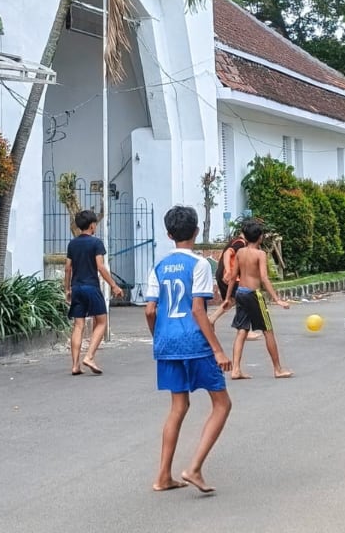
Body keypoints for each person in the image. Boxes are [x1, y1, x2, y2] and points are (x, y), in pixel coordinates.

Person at [145, 205, 232, 494]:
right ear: (196, 231)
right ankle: (193, 468)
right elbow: (198, 309)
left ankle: (163, 476)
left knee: (178, 406)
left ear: (169, 234)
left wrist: (159, 337)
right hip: (194, 342)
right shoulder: (199, 264)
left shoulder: (157, 267)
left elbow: (149, 310)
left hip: (167, 342)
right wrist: (218, 349)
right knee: (222, 404)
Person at [226, 219, 292, 379]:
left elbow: (233, 276)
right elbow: (264, 278)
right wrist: (277, 299)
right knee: (268, 330)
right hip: (254, 294)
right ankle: (278, 369)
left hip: (240, 292)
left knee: (242, 330)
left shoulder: (240, 252)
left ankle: (235, 369)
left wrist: (228, 297)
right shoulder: (260, 254)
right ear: (260, 237)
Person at [65, 209, 123, 376]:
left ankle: (75, 365)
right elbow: (100, 266)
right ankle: (89, 356)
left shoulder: (72, 244)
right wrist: (113, 285)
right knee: (102, 322)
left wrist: (67, 289)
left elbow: (68, 268)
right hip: (91, 287)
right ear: (92, 226)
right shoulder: (96, 243)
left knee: (78, 325)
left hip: (76, 287)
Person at [208, 234, 262, 340]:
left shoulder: (235, 241)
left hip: (223, 275)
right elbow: (228, 253)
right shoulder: (240, 243)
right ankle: (244, 331)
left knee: (232, 301)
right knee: (245, 300)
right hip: (229, 276)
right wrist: (228, 270)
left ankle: (211, 319)